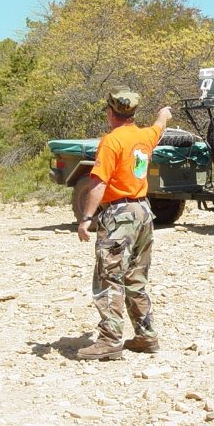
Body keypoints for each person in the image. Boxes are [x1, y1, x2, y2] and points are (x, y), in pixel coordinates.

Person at [76, 87, 171, 360]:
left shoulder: (111, 141)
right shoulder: (144, 137)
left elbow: (99, 182)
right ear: (132, 112)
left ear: (110, 111)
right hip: (143, 211)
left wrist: (86, 218)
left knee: (109, 277)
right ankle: (146, 335)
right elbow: (159, 126)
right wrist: (163, 114)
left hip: (119, 215)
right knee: (136, 278)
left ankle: (110, 339)